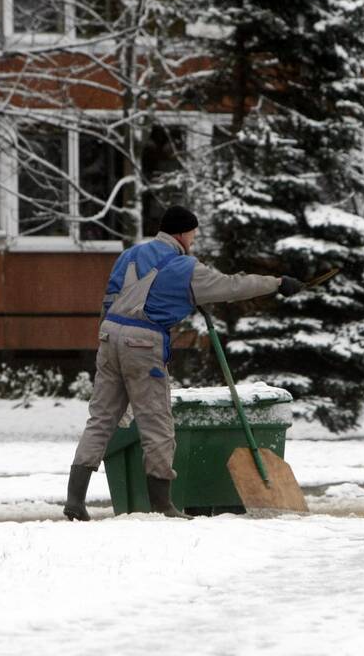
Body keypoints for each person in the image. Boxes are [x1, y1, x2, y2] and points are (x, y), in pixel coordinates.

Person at [64, 205, 305, 521]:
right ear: (181, 233)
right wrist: (276, 283)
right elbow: (234, 286)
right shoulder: (186, 268)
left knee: (101, 418)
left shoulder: (130, 255)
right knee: (157, 424)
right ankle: (163, 505)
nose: (193, 238)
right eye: (192, 232)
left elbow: (109, 299)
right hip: (143, 342)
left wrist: (106, 339)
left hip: (109, 336)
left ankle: (75, 500)